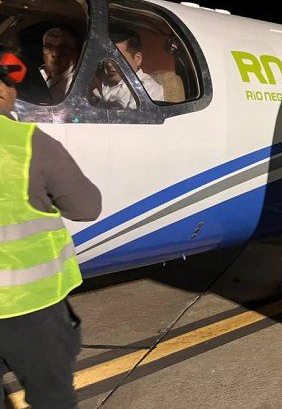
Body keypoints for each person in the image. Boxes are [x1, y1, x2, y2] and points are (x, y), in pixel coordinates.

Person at [0, 47, 102, 408]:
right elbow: (87, 207)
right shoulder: (28, 144)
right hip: (28, 310)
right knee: (51, 398)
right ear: (5, 91)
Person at [91, 24, 164, 109]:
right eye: (107, 57)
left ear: (137, 59)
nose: (109, 64)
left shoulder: (147, 90)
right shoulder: (98, 79)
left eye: (118, 58)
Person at [40, 27, 80, 104]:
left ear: (76, 53)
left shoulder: (77, 87)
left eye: (63, 48)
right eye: (48, 46)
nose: (55, 53)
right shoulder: (34, 73)